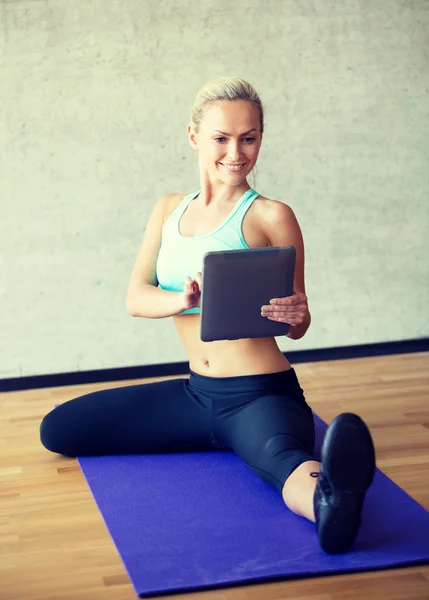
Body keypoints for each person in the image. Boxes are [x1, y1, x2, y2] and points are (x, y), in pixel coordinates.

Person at [40, 77, 376, 555]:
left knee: (285, 460)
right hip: (197, 394)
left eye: (249, 137)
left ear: (261, 136)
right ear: (194, 136)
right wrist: (183, 298)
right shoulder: (167, 210)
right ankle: (257, 454)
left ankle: (333, 503)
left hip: (261, 394)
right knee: (58, 429)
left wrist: (298, 314)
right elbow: (136, 298)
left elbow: (297, 324)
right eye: (221, 137)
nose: (236, 152)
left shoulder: (271, 216)